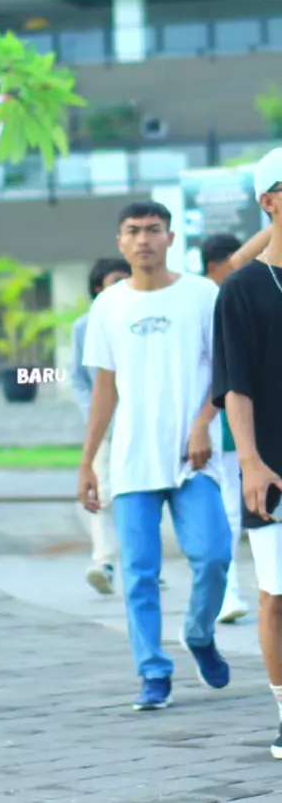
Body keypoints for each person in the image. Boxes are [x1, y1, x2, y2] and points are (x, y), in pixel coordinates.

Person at [79, 199, 232, 711]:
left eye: (153, 229)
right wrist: (87, 461)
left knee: (214, 556)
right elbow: (104, 389)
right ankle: (152, 671)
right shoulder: (108, 306)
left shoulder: (202, 295)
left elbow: (224, 371)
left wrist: (202, 424)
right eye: (133, 231)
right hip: (131, 461)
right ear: (120, 241)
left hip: (194, 458)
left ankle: (199, 634)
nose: (143, 239)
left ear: (170, 237)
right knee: (139, 574)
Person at [212, 147, 282, 758]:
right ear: (269, 201)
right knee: (277, 596)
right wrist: (251, 462)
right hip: (273, 464)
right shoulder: (242, 289)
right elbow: (236, 386)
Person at [70, 257, 131, 594]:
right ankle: (104, 561)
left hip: (138, 423)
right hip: (104, 427)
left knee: (140, 493)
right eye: (114, 281)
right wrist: (93, 414)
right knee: (102, 493)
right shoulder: (84, 326)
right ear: (98, 288)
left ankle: (141, 563)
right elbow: (79, 379)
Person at [201, 234, 251, 623]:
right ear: (215, 267)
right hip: (217, 424)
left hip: (244, 420)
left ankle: (228, 591)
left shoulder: (241, 296)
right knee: (228, 511)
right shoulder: (206, 300)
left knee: (234, 511)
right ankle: (227, 591)